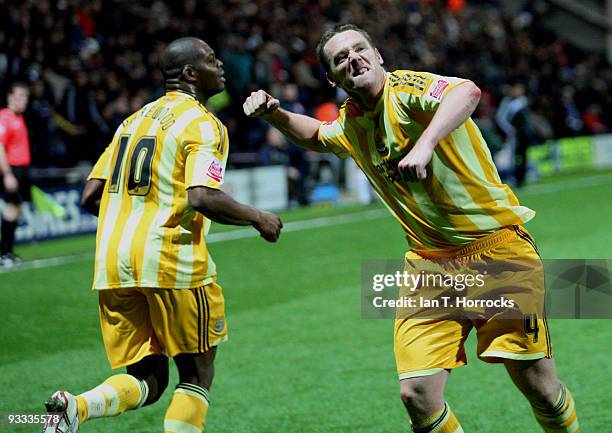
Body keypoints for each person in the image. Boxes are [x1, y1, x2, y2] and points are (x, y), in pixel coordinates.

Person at [243, 24, 579, 433]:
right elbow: (315, 134)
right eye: (341, 58)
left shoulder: (405, 91)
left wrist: (426, 143)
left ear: (378, 54)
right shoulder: (352, 122)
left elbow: (467, 92)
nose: (354, 59)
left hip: (497, 253)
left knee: (539, 388)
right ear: (333, 78)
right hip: (429, 265)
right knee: (416, 394)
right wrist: (274, 113)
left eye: (359, 49)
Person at [43, 37, 283, 433]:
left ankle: (76, 408)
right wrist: (258, 217)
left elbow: (90, 195)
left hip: (113, 264)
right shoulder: (204, 124)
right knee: (196, 374)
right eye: (210, 58)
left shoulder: (132, 121)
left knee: (149, 379)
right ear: (190, 74)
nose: (220, 63)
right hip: (170, 260)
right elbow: (203, 197)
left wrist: (134, 217)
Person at [0, 82, 31, 267]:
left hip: (22, 170)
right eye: (19, 96)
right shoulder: (5, 117)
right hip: (12, 169)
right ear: (10, 97)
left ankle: (8, 251)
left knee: (17, 209)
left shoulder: (18, 118)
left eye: (25, 97)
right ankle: (4, 253)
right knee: (11, 208)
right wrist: (7, 174)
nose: (23, 100)